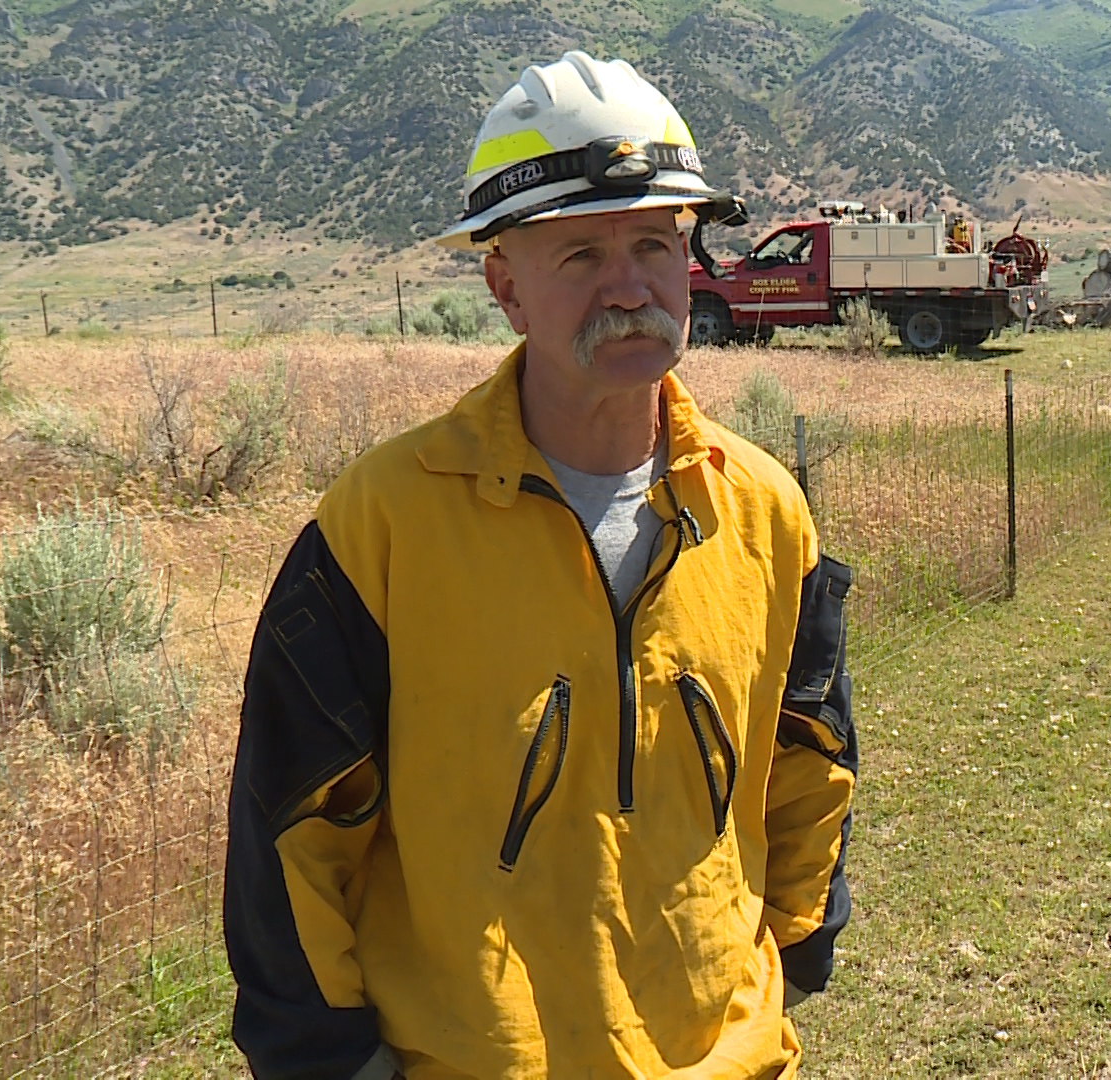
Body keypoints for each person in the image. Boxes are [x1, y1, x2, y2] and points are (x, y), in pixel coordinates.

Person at [222, 53, 856, 1079]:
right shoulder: (380, 525)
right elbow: (292, 829)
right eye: (579, 256)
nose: (630, 287)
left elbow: (810, 762)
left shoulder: (765, 510)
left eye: (654, 243)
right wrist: (332, 1061)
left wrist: (781, 970)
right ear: (504, 284)